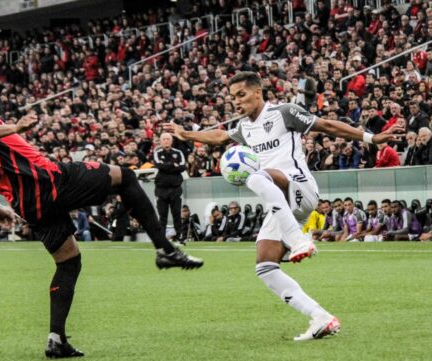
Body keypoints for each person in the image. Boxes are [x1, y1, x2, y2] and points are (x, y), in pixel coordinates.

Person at [0, 66, 202, 359]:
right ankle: (165, 249)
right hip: (47, 179)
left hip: (26, 203)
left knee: (68, 262)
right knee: (124, 177)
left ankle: (57, 339)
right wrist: (15, 127)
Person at [164, 71, 403, 341]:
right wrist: (185, 134)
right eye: (232, 98)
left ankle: (299, 241)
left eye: (241, 95)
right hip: (279, 202)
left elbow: (326, 125)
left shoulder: (284, 112)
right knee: (265, 266)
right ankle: (321, 318)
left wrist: (372, 138)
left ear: (258, 92)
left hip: (301, 188)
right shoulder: (244, 127)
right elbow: (220, 136)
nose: (236, 102)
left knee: (255, 175)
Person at [153, 133, 186, 243]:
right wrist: (173, 165)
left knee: (177, 214)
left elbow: (182, 167)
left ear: (171, 141)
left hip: (175, 189)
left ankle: (179, 236)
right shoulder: (157, 153)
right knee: (162, 215)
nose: (166, 141)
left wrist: (167, 166)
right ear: (161, 141)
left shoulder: (178, 153)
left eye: (168, 139)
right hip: (161, 190)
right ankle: (162, 238)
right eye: (164, 139)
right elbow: (159, 166)